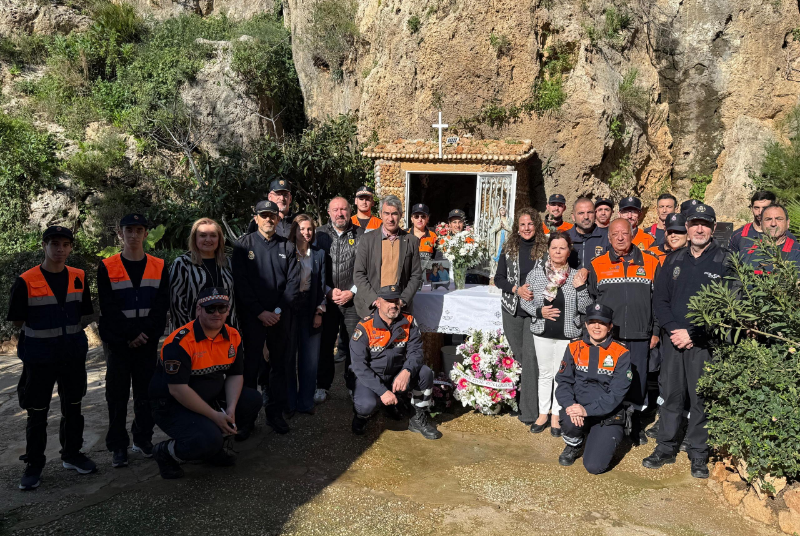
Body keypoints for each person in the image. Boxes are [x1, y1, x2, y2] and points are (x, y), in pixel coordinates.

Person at [644, 203, 731, 478]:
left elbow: (728, 310)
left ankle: (698, 454)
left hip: (703, 344)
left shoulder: (726, 261)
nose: (699, 228)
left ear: (713, 228)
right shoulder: (674, 260)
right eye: (694, 223)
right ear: (688, 227)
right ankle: (666, 447)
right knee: (671, 395)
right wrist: (672, 330)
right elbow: (661, 300)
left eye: (705, 224)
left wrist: (692, 334)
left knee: (700, 398)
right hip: (673, 341)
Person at [9, 226, 97, 490]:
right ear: (44, 246)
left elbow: (83, 313)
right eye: (55, 244)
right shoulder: (25, 280)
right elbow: (17, 321)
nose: (60, 249)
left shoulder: (79, 277)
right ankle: (34, 464)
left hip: (72, 354)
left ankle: (72, 455)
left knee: (74, 406)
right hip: (39, 358)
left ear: (71, 247)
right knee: (37, 411)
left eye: (65, 244)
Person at [149, 288, 262, 479]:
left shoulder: (233, 336)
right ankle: (166, 451)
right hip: (172, 404)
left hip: (209, 396)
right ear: (198, 310)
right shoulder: (179, 343)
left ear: (228, 310)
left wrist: (231, 410)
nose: (216, 313)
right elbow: (178, 390)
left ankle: (212, 448)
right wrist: (215, 416)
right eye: (210, 309)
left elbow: (235, 375)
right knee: (207, 438)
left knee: (251, 400)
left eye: (222, 308)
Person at [98, 214, 169, 469]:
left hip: (147, 343)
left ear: (145, 234)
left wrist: (145, 335)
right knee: (116, 396)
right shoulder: (107, 266)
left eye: (139, 229)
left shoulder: (159, 265)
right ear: (120, 233)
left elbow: (161, 306)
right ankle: (118, 445)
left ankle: (142, 438)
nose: (134, 234)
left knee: (145, 394)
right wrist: (130, 335)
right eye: (129, 229)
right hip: (119, 344)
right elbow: (108, 307)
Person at [587, 218, 659, 445]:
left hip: (641, 335)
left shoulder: (651, 262)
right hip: (611, 338)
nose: (620, 237)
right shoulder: (597, 264)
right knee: (608, 379)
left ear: (632, 234)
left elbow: (658, 301)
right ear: (608, 238)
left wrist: (655, 330)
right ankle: (608, 421)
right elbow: (590, 301)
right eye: (615, 234)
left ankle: (635, 424)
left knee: (637, 382)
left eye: (624, 233)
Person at [232, 200, 299, 434]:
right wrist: (260, 312)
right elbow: (240, 285)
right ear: (256, 218)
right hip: (253, 319)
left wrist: (277, 312)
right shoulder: (243, 246)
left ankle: (274, 413)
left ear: (278, 219)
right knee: (250, 368)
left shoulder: (287, 247)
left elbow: (293, 284)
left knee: (279, 366)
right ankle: (247, 420)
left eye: (273, 215)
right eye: (264, 215)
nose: (269, 219)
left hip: (280, 319)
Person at [520, 232, 592, 436]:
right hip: (542, 332)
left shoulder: (577, 275)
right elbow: (525, 300)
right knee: (545, 373)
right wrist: (538, 311)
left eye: (562, 248)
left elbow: (587, 307)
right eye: (554, 248)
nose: (558, 251)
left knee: (562, 376)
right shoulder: (536, 274)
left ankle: (556, 415)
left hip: (568, 334)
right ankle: (543, 413)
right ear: (548, 251)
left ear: (569, 252)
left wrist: (580, 289)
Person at [350, 285, 442, 440]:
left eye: (396, 300)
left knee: (425, 373)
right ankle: (361, 416)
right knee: (366, 405)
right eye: (388, 301)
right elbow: (359, 366)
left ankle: (417, 418)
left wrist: (407, 371)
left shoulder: (409, 321)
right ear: (377, 303)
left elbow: (416, 353)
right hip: (372, 377)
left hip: (397, 375)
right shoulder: (364, 327)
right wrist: (382, 391)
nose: (393, 304)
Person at [555, 303, 632, 473]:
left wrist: (586, 410)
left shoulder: (621, 352)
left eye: (602, 323)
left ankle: (597, 437)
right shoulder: (573, 347)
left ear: (610, 326)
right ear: (586, 324)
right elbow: (563, 382)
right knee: (568, 418)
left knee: (594, 467)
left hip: (607, 414)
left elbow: (617, 394)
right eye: (592, 322)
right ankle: (574, 444)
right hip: (578, 409)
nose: (597, 326)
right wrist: (571, 406)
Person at [494, 207, 548, 427]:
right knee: (520, 357)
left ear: (536, 225)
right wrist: (516, 289)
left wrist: (536, 291)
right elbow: (499, 279)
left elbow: (555, 276)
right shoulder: (509, 249)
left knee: (531, 358)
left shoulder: (545, 250)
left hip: (534, 311)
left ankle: (529, 412)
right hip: (512, 310)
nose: (526, 228)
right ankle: (524, 399)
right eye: (522, 224)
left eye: (530, 224)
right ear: (517, 227)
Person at [315, 197, 363, 404]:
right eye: (335, 209)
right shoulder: (318, 235)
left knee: (354, 345)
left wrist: (352, 291)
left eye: (344, 209)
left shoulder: (362, 235)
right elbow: (313, 268)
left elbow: (367, 269)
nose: (340, 213)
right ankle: (322, 385)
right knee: (325, 345)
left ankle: (353, 386)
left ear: (350, 211)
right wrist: (326, 291)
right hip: (327, 300)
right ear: (329, 212)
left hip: (352, 301)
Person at [353, 195, 422, 318]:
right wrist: (375, 301)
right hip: (371, 308)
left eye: (394, 214)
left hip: (400, 308)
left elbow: (416, 275)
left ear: (400, 215)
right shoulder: (367, 240)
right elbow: (359, 274)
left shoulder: (411, 241)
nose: (390, 218)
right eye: (386, 213)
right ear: (380, 214)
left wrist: (402, 301)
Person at [286, 215, 326, 416]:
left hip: (310, 307)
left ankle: (306, 402)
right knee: (288, 357)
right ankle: (290, 403)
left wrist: (319, 311)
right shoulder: (286, 251)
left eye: (310, 229)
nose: (306, 233)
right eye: (302, 228)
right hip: (290, 308)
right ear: (295, 230)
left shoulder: (318, 254)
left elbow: (321, 285)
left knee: (310, 359)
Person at [169, 218, 237, 332]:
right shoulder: (182, 264)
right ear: (194, 238)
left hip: (225, 332)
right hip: (193, 332)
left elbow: (234, 300)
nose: (208, 239)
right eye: (203, 235)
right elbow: (176, 303)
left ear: (219, 239)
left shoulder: (228, 263)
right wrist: (188, 332)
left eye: (213, 235)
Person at [740, 204, 800, 272]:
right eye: (768, 219)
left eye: (779, 219)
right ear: (761, 224)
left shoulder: (797, 251)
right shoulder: (747, 250)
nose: (773, 224)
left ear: (788, 223)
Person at [728, 190, 777, 255]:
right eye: (756, 208)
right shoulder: (738, 235)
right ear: (752, 208)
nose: (760, 212)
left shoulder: (783, 236)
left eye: (765, 208)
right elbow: (730, 262)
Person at [568, 197, 609, 269]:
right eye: (581, 213)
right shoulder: (564, 238)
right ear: (573, 216)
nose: (586, 217)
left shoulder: (607, 237)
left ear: (595, 214)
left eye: (590, 212)